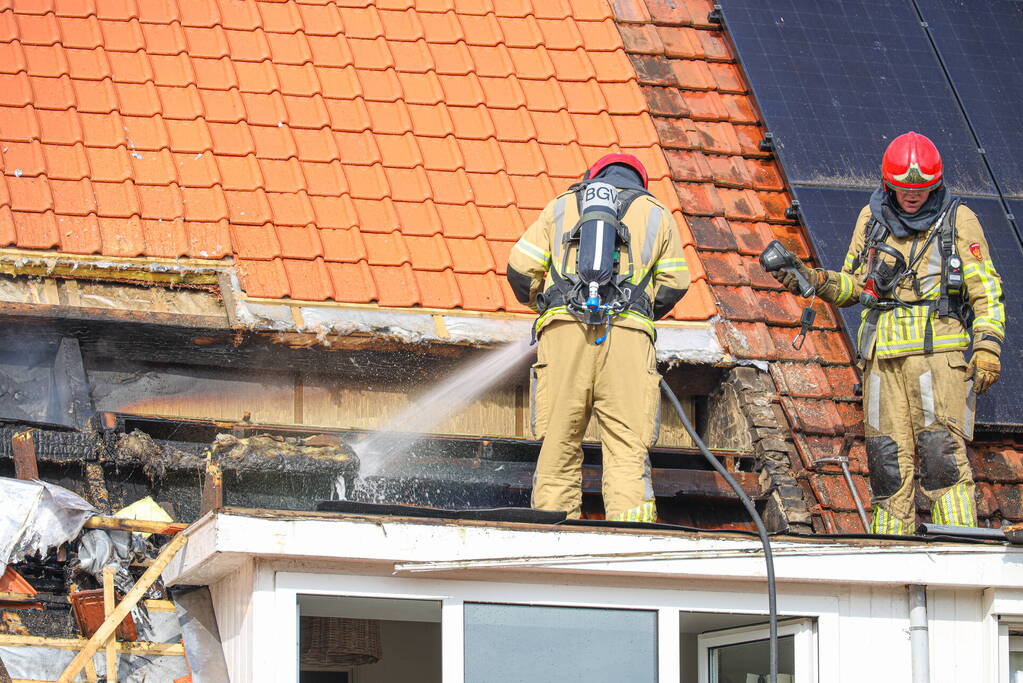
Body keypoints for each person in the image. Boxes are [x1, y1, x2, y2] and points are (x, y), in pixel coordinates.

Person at [774, 131, 1005, 534]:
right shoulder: (871, 220)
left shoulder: (958, 220)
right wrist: (812, 280)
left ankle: (962, 545)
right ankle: (889, 544)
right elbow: (853, 285)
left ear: (934, 185)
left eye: (920, 189)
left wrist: (988, 348)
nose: (911, 196)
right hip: (882, 357)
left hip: (939, 356)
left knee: (941, 455)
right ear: (887, 184)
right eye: (902, 189)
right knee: (884, 460)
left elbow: (987, 290)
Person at [506, 154, 690, 522]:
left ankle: (553, 538)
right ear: (641, 181)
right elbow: (676, 283)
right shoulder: (656, 213)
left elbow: (520, 271)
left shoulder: (561, 206)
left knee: (558, 444)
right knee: (627, 449)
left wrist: (552, 302)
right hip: (628, 339)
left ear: (592, 177)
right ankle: (634, 546)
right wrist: (637, 310)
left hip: (563, 335)